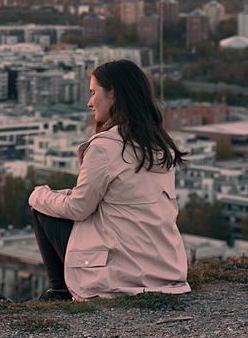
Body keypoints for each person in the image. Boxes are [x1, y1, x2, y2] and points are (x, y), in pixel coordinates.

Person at [28, 59, 190, 301]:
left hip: (119, 277)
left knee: (43, 208)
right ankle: (58, 294)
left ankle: (60, 293)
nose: (89, 102)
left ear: (113, 93)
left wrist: (39, 194)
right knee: (57, 202)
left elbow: (79, 208)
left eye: (94, 93)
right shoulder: (159, 145)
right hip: (167, 272)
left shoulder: (105, 146)